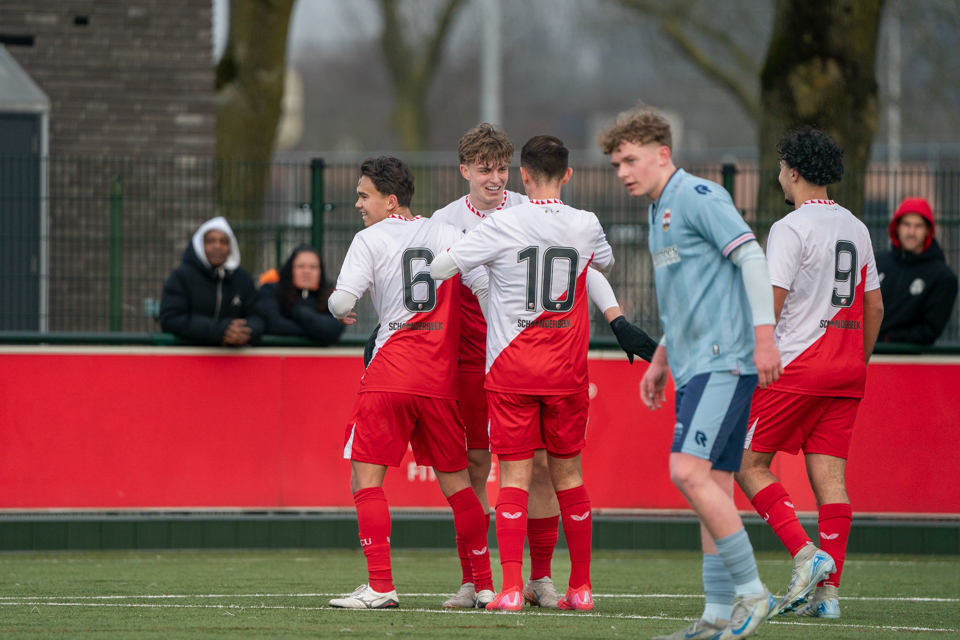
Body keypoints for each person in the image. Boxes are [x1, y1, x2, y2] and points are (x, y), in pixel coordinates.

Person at [430, 123, 657, 610]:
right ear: (465, 171)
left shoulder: (514, 213)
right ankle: (476, 580)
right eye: (485, 170)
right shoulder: (445, 219)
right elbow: (592, 260)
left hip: (509, 361)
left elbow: (586, 271)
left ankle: (535, 579)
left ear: (521, 175)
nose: (495, 179)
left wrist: (616, 318)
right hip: (472, 357)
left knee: (532, 470)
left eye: (502, 169)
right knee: (478, 466)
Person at [601, 104, 778, 640]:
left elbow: (751, 257)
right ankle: (717, 615)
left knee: (687, 472)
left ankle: (753, 593)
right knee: (713, 484)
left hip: (724, 359)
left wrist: (764, 336)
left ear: (662, 154)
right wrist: (660, 360)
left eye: (630, 160)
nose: (623, 172)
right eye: (616, 164)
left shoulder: (699, 196)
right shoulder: (656, 211)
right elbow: (684, 300)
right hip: (694, 364)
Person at [325, 157, 493, 610]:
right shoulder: (449, 232)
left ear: (390, 200)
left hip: (390, 373)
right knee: (459, 486)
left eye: (364, 196)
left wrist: (340, 307)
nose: (358, 204)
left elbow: (341, 302)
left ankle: (381, 586)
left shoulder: (369, 238)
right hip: (439, 380)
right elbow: (483, 289)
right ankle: (484, 585)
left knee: (365, 478)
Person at [734, 126, 884, 620]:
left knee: (746, 463)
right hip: (846, 371)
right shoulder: (856, 227)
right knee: (831, 480)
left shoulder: (790, 227)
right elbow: (875, 306)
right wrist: (856, 361)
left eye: (781, 166)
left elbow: (771, 303)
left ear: (794, 172)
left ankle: (805, 554)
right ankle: (827, 599)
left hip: (797, 366)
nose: (779, 174)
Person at [159, 216, 265, 346]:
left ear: (231, 247)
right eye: (210, 241)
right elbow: (171, 318)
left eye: (223, 242)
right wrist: (219, 331)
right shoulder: (181, 277)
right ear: (200, 245)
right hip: (189, 354)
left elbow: (258, 316)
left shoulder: (243, 279)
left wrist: (245, 332)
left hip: (234, 356)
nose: (217, 246)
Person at [876, 197, 958, 345]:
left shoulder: (942, 276)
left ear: (928, 230)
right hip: (864, 353)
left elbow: (929, 330)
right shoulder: (877, 262)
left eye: (918, 226)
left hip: (909, 357)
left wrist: (888, 338)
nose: (911, 232)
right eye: (906, 224)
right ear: (897, 227)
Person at [259, 245, 346, 345]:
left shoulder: (330, 296)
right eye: (300, 266)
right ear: (290, 269)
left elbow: (334, 329)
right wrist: (318, 332)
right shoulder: (271, 290)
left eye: (313, 267)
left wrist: (299, 313)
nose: (307, 271)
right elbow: (274, 325)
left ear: (320, 272)